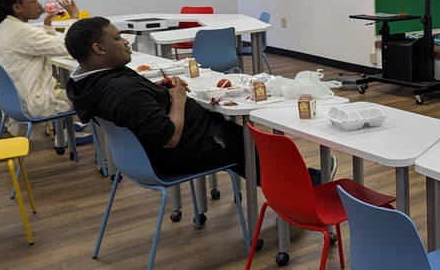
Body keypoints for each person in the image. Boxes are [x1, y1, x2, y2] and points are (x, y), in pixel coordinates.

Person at [63, 17, 330, 183]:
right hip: (182, 152)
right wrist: (177, 99)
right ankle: (304, 186)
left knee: (240, 142)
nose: (126, 42)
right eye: (117, 38)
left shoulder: (85, 83)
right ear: (98, 49)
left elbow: (134, 104)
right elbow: (168, 138)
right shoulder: (122, 92)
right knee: (249, 143)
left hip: (145, 157)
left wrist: (156, 91)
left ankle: (302, 181)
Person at [0, 0, 80, 145]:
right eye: (33, 1)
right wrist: (73, 16)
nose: (39, 5)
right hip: (34, 104)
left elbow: (45, 47)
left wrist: (47, 26)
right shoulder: (23, 31)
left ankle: (71, 136)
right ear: (17, 7)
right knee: (95, 98)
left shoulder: (3, 27)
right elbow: (69, 47)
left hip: (13, 104)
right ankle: (103, 156)